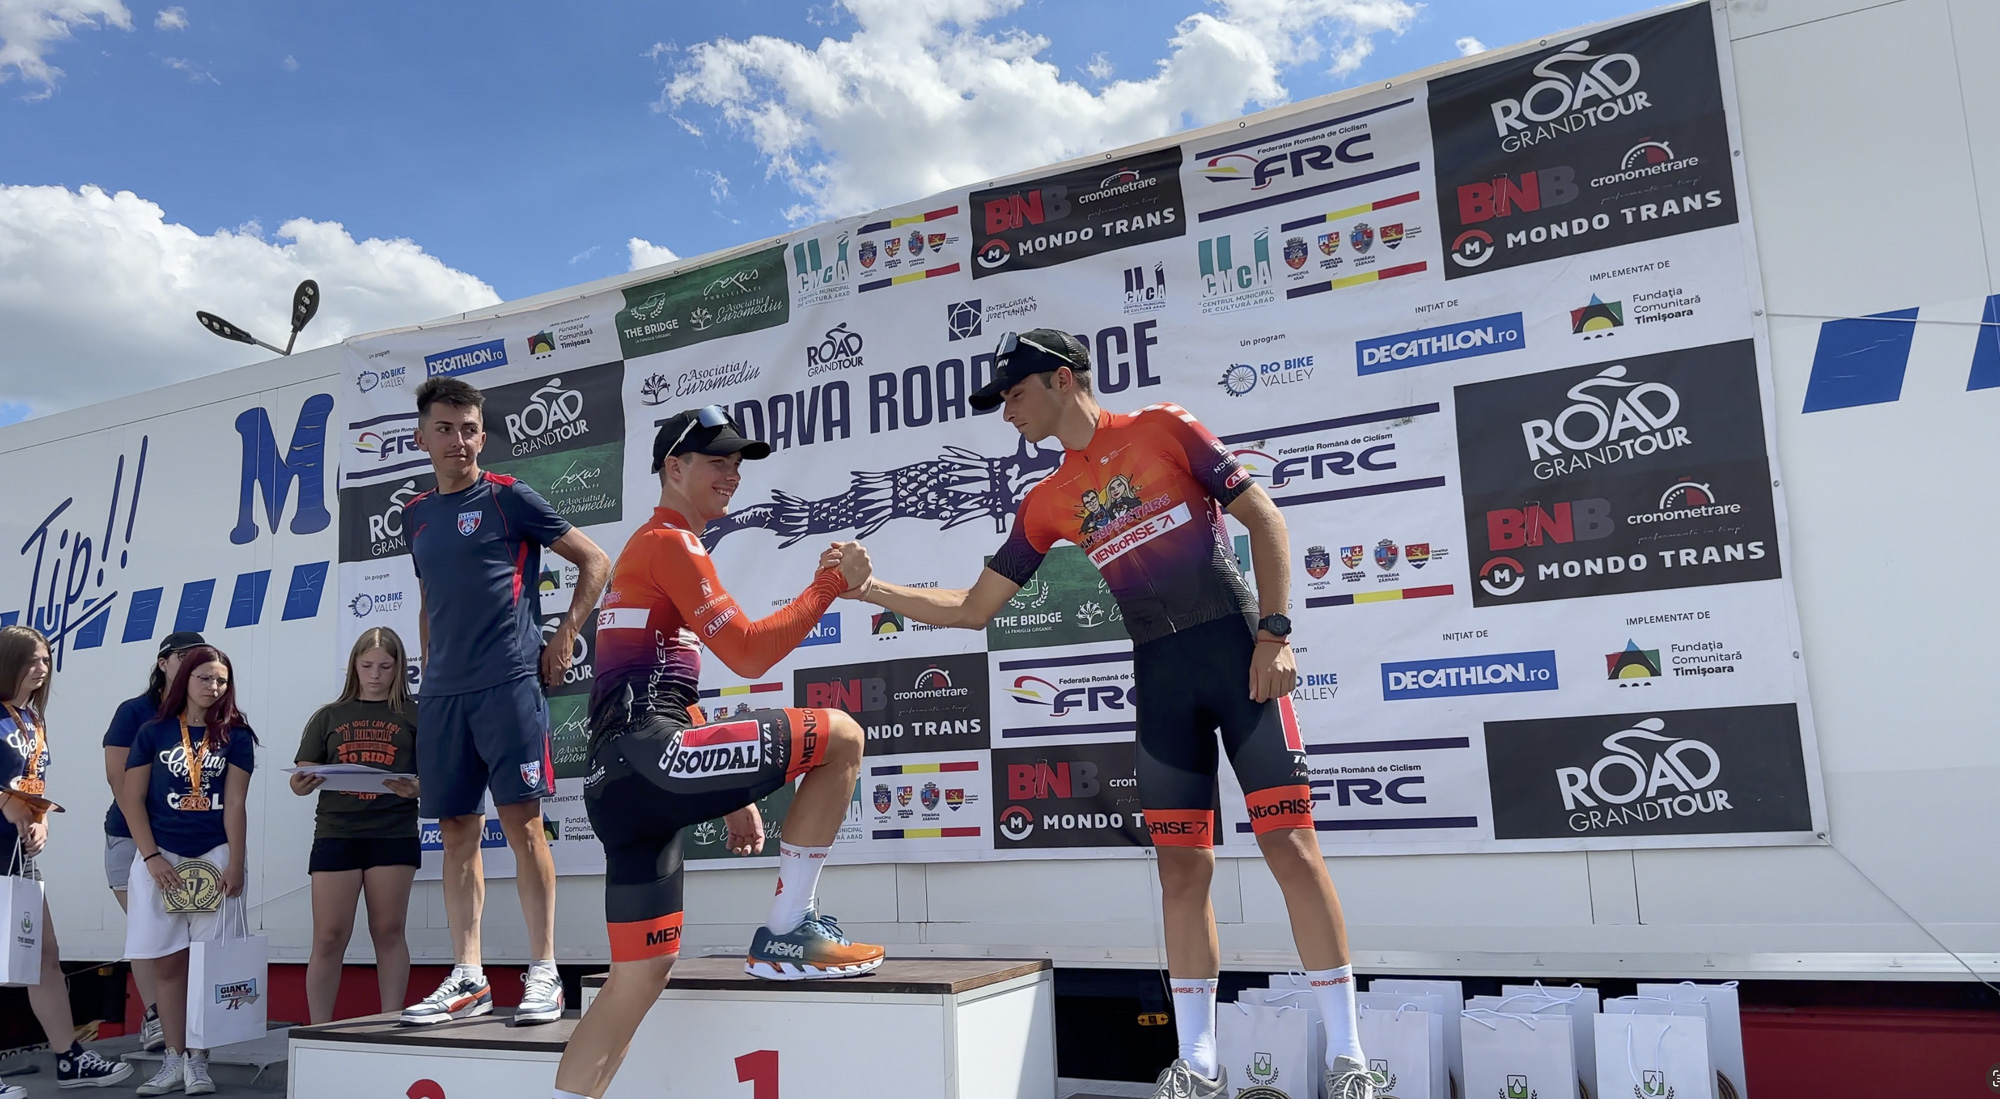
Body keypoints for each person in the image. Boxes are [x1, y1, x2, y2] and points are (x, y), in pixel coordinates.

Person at [844, 329, 1375, 1099]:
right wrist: (871, 589)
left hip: (1239, 660)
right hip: (1161, 680)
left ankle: (1349, 1057)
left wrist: (1275, 633)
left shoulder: (1164, 427)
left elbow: (1264, 518)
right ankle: (1199, 1062)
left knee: (1291, 846)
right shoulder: (1047, 499)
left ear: (1062, 380)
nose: (1008, 414)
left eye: (1015, 395)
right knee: (1181, 869)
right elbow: (972, 607)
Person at [548, 406, 882, 1099]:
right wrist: (829, 584)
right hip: (648, 759)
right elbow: (750, 652)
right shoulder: (671, 543)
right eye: (715, 461)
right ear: (674, 468)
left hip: (619, 785)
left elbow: (664, 692)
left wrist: (737, 798)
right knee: (842, 735)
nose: (731, 475)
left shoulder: (649, 551)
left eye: (736, 464)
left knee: (639, 974)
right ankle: (790, 929)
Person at [400, 376, 611, 1026]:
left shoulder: (507, 498)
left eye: (468, 429)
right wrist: (430, 663)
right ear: (422, 437)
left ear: (482, 436)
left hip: (509, 685)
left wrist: (566, 632)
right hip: (444, 697)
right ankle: (468, 976)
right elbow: (429, 598)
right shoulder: (415, 514)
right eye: (445, 428)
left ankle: (544, 970)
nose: (458, 440)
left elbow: (595, 560)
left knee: (523, 826)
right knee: (456, 833)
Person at [0, 625, 135, 1089]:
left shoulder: (31, 719)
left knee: (43, 955)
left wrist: (40, 820)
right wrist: (7, 803)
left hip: (16, 857)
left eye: (46, 659)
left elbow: (32, 787)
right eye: (31, 660)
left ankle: (69, 1057)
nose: (42, 668)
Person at [117, 644, 255, 1097]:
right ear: (184, 680)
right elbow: (131, 799)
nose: (213, 687)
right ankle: (172, 1059)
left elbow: (235, 803)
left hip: (213, 857)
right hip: (162, 858)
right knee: (169, 962)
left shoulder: (235, 734)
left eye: (221, 680)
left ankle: (199, 1060)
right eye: (204, 678)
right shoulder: (153, 732)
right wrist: (151, 857)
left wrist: (236, 862)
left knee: (208, 965)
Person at [290, 627, 422, 1024]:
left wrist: (417, 788)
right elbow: (301, 775)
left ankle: (389, 1022)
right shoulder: (328, 716)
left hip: (393, 832)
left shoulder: (415, 714)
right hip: (337, 832)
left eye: (385, 666)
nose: (376, 675)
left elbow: (437, 775)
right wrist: (302, 782)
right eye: (367, 666)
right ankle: (318, 1028)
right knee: (329, 935)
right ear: (354, 667)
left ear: (399, 667)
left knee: (388, 930)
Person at [102, 630, 206, 1054]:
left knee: (185, 936)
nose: (192, 664)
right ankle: (156, 1018)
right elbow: (118, 779)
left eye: (200, 658)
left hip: (188, 840)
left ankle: (188, 1026)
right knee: (149, 932)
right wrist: (149, 844)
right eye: (184, 657)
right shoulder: (135, 711)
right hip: (130, 836)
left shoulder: (205, 712)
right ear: (163, 663)